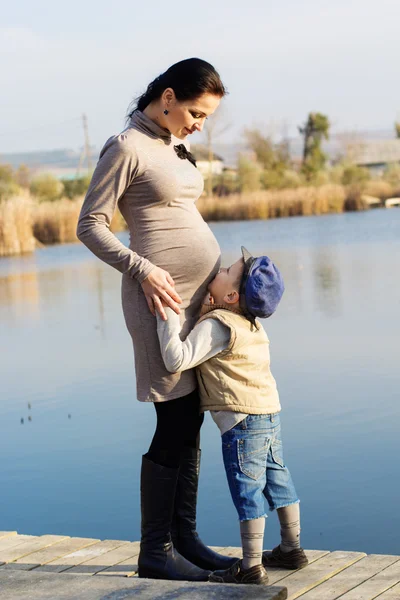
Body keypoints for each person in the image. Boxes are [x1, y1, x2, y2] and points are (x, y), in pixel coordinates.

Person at [76, 58, 237, 581]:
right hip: (159, 304)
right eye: (195, 112)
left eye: (206, 117)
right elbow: (90, 225)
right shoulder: (125, 146)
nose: (199, 124)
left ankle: (185, 540)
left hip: (196, 303)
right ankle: (154, 552)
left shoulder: (171, 146)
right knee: (174, 420)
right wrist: (142, 268)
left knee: (191, 419)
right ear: (167, 97)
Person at [156, 247, 308, 586]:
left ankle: (251, 567)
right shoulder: (247, 323)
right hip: (268, 413)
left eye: (226, 270)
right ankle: (291, 548)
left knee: (248, 490)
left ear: (231, 294)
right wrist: (205, 313)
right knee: (278, 479)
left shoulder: (219, 327)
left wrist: (166, 312)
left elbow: (176, 359)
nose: (219, 269)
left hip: (242, 423)